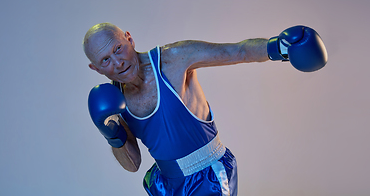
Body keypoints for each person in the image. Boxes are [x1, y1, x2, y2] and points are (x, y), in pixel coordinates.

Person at [83, 22, 327, 196]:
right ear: (96, 69)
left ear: (129, 38)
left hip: (208, 175)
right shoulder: (113, 100)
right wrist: (112, 135)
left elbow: (238, 51)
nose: (118, 62)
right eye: (105, 60)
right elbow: (132, 164)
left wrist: (279, 48)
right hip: (165, 182)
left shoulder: (173, 59)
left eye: (118, 48)